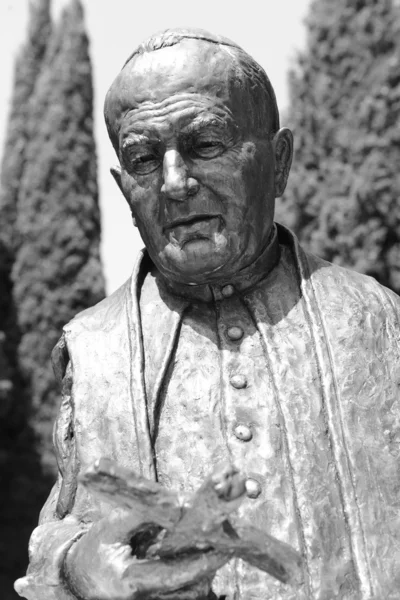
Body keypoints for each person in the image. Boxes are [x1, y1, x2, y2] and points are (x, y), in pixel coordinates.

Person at [15, 28, 400, 600]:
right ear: (123, 188)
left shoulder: (378, 324)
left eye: (205, 144)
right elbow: (60, 527)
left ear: (279, 160)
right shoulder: (93, 348)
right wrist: (75, 562)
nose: (173, 183)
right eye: (144, 158)